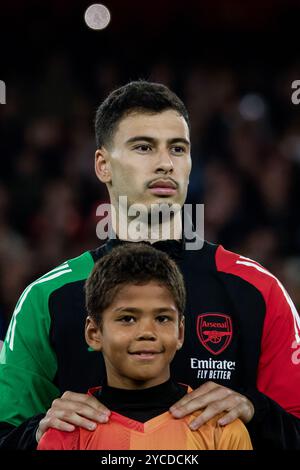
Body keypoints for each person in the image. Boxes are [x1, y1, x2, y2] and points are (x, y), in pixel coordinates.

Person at [0, 80, 299, 450]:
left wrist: (258, 412)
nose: (165, 163)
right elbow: (5, 435)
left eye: (178, 149)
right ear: (102, 165)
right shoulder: (45, 299)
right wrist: (38, 432)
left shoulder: (259, 291)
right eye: (143, 147)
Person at [38, 243, 252, 450]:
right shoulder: (65, 433)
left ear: (180, 332)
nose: (147, 332)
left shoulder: (221, 430)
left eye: (162, 318)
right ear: (94, 333)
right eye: (128, 319)